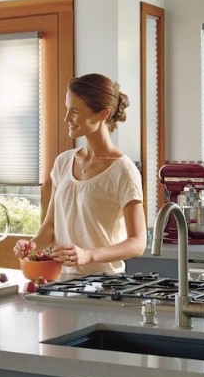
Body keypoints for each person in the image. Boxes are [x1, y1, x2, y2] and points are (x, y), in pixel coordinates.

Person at [15, 73, 147, 280]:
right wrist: (31, 246)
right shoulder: (63, 162)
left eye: (75, 112)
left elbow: (138, 242)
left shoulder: (123, 171)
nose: (67, 118)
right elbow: (50, 227)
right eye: (67, 109)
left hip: (106, 285)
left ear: (103, 114)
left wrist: (88, 255)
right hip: (60, 283)